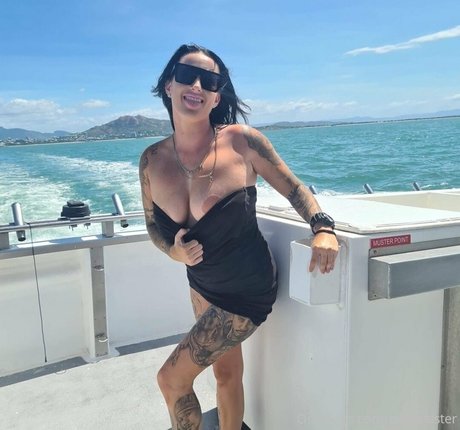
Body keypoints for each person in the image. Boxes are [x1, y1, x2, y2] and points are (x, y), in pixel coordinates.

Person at [139, 43, 338, 430]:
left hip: (247, 288)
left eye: (210, 81)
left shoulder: (243, 142)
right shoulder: (151, 160)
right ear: (168, 85)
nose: (197, 86)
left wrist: (323, 228)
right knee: (226, 374)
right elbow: (152, 225)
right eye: (187, 75)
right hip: (201, 284)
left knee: (171, 379)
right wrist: (172, 251)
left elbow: (295, 189)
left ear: (217, 97)